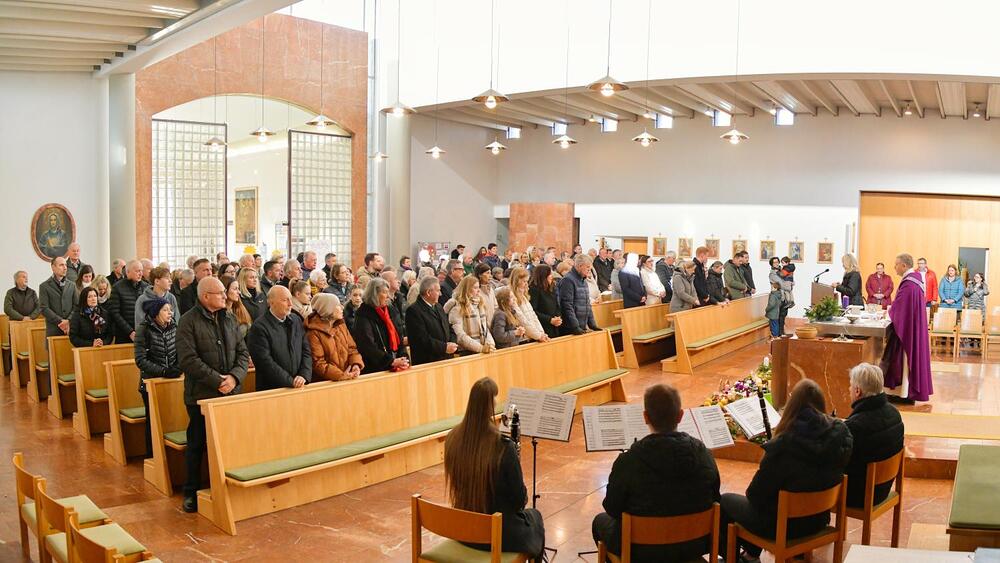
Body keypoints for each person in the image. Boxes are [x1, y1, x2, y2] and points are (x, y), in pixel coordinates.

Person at [720, 379, 853, 561]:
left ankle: (745, 558)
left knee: (725, 501)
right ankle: (752, 555)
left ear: (792, 407)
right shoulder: (840, 437)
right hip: (818, 520)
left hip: (785, 528)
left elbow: (755, 495)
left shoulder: (783, 447)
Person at [593, 383, 721, 562]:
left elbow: (613, 508)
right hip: (693, 544)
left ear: (645, 417)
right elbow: (715, 497)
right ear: (680, 415)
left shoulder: (629, 461)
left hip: (642, 550)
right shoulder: (703, 454)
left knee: (599, 522)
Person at [444, 377, 545, 559]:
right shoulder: (503, 446)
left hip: (464, 529)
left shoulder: (452, 438)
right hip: (495, 534)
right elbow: (518, 501)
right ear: (491, 404)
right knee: (535, 517)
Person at [177, 276, 249, 513]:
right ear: (205, 296)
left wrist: (234, 378)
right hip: (201, 394)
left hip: (230, 391)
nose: (225, 296)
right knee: (197, 443)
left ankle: (226, 488)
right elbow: (188, 359)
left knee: (231, 441)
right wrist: (218, 381)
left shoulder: (229, 318)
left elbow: (242, 353)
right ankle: (191, 491)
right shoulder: (188, 321)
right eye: (220, 293)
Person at [843, 363, 904, 509]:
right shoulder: (894, 413)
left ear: (857, 391)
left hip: (860, 495)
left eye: (851, 386)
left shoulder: (856, 426)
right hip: (883, 488)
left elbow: (840, 460)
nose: (849, 389)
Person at [880, 253, 933, 404]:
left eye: (896, 264)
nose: (894, 267)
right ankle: (901, 392)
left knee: (902, 360)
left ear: (904, 265)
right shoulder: (914, 280)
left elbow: (899, 308)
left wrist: (888, 314)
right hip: (911, 326)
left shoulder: (909, 284)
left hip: (907, 329)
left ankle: (904, 393)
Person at [134, 297, 181, 458]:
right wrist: (164, 371)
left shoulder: (174, 327)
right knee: (153, 421)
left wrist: (178, 368)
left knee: (172, 419)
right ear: (156, 313)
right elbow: (141, 360)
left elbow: (181, 351)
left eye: (170, 310)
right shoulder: (144, 329)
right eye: (165, 310)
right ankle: (152, 457)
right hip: (150, 382)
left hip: (172, 382)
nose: (170, 313)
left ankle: (169, 458)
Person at [247, 285, 312, 391]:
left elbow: (306, 351)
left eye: (290, 299)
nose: (290, 304)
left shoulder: (296, 320)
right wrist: (290, 381)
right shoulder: (259, 327)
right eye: (285, 300)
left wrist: (304, 375)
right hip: (273, 389)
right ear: (271, 303)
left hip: (299, 384)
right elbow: (264, 362)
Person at [352, 277, 409, 374]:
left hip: (396, 361)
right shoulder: (363, 314)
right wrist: (390, 361)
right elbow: (367, 345)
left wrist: (403, 358)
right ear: (374, 294)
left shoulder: (391, 310)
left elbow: (399, 335)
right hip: (376, 367)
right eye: (385, 292)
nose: (388, 296)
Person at [305, 293, 364, 381]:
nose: (342, 307)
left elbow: (352, 349)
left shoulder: (341, 325)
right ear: (328, 309)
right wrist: (340, 375)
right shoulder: (313, 333)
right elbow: (318, 363)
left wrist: (355, 364)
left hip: (348, 377)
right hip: (328, 383)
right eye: (338, 305)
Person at [405, 277, 459, 365]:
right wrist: (444, 347)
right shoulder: (414, 311)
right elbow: (421, 339)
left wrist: (452, 343)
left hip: (446, 358)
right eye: (438, 290)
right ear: (428, 292)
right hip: (428, 361)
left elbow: (449, 327)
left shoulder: (438, 306)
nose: (440, 294)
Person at [446, 275, 496, 354]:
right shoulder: (457, 307)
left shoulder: (479, 304)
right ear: (467, 289)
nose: (478, 290)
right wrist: (480, 348)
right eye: (475, 288)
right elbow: (459, 335)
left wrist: (490, 344)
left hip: (482, 348)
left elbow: (485, 329)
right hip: (466, 351)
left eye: (478, 287)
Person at [107, 260, 148, 344]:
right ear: (128, 272)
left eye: (141, 271)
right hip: (123, 334)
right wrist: (130, 331)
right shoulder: (117, 287)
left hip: (143, 333)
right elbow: (114, 312)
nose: (140, 273)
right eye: (137, 271)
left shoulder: (146, 287)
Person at [558, 254, 600, 335]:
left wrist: (592, 325)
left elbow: (587, 304)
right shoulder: (568, 280)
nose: (589, 269)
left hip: (581, 326)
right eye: (587, 267)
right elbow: (567, 306)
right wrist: (575, 327)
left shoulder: (583, 280)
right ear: (580, 266)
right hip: (570, 328)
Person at [508, 268, 549, 343]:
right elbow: (521, 319)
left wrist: (541, 333)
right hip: (523, 338)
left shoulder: (523, 296)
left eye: (527, 281)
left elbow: (533, 316)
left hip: (533, 335)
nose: (526, 284)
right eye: (524, 281)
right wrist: (538, 336)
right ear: (517, 281)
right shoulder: (512, 297)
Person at [39, 257, 75, 337]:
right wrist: (61, 321)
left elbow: (76, 306)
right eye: (61, 265)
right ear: (53, 267)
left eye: (65, 265)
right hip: (54, 329)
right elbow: (44, 308)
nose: (65, 268)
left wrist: (68, 320)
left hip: (70, 329)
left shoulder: (72, 285)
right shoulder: (44, 286)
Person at [529, 264, 562, 340]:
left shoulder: (551, 287)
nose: (551, 276)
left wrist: (558, 317)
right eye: (549, 274)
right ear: (543, 275)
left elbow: (557, 305)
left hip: (555, 325)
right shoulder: (534, 289)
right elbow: (533, 311)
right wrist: (549, 320)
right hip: (543, 327)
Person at [768, 258, 793, 335]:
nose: (776, 263)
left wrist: (790, 283)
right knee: (778, 317)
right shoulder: (772, 274)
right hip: (778, 297)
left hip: (785, 297)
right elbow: (781, 284)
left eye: (777, 262)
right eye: (774, 262)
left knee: (783, 316)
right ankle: (778, 335)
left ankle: (782, 333)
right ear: (771, 264)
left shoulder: (782, 271)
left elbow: (790, 281)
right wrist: (789, 284)